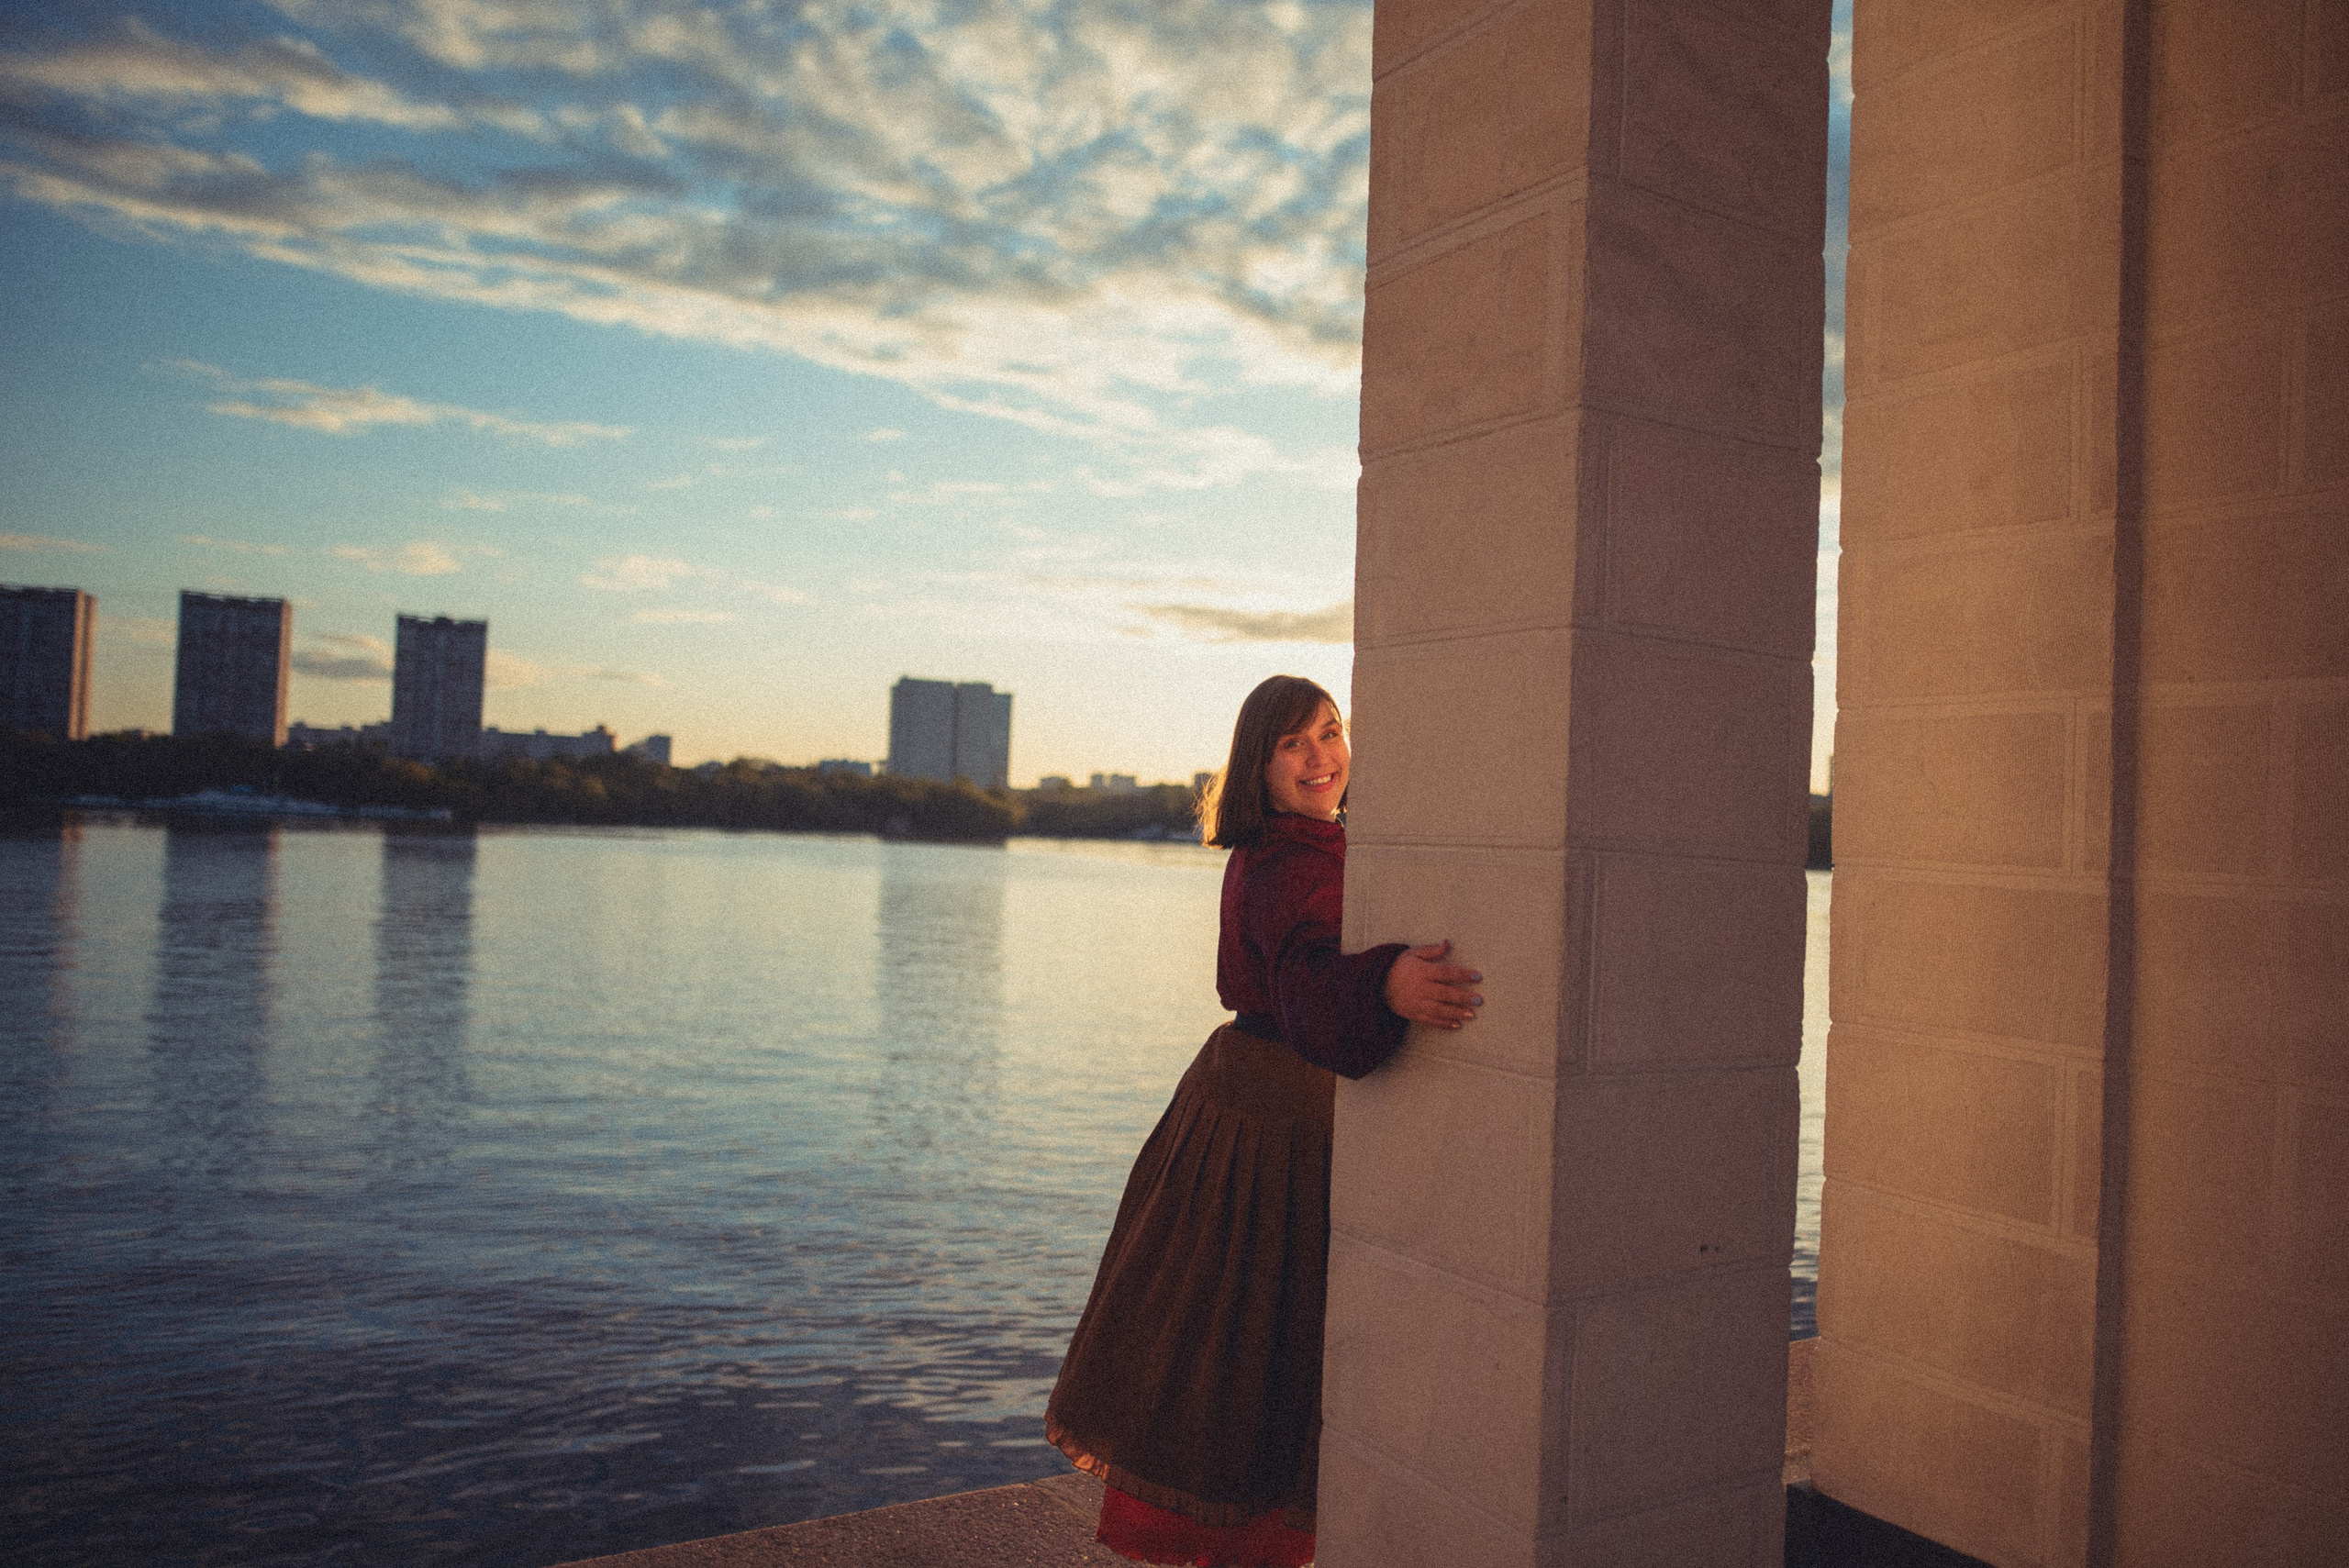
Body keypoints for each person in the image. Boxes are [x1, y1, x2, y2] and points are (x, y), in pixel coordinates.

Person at [1044, 674, 1483, 1567]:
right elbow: (1307, 983)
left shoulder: (1304, 843)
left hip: (1247, 1099)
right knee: (1259, 1343)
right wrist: (1388, 978)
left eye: (1329, 731)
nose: (1319, 754)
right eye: (1293, 742)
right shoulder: (1289, 859)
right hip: (1269, 1117)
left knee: (1230, 1344)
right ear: (1260, 763)